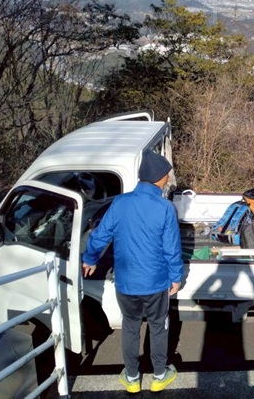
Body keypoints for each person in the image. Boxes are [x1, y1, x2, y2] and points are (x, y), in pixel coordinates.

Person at [82, 149, 183, 394]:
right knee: (158, 326)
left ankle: (132, 378)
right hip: (155, 283)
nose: (168, 179)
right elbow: (172, 248)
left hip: (126, 283)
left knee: (130, 326)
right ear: (158, 177)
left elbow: (100, 235)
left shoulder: (120, 203)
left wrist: (90, 258)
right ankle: (159, 376)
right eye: (167, 175)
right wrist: (176, 277)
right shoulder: (165, 208)